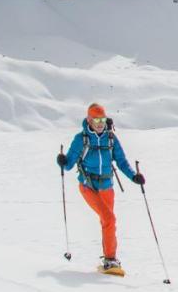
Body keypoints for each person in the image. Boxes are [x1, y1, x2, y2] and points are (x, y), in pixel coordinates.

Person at [57, 103, 144, 271]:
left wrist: (134, 176)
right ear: (89, 120)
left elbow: (121, 161)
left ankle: (110, 259)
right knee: (109, 218)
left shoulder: (111, 138)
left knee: (108, 221)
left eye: (102, 119)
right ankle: (111, 259)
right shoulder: (81, 139)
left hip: (107, 186)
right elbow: (68, 165)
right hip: (88, 186)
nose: (100, 123)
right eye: (96, 119)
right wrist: (62, 161)